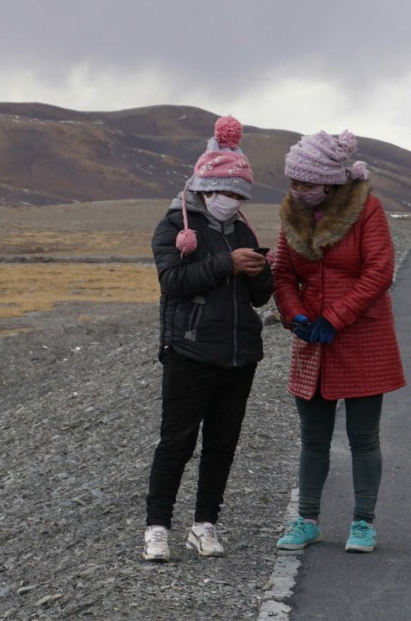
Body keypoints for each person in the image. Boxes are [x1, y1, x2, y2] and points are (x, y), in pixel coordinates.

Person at [143, 116, 274, 562]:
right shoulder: (173, 226)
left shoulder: (244, 230)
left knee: (222, 443)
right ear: (204, 187)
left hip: (239, 357)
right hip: (189, 352)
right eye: (225, 192)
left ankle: (204, 525)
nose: (231, 201)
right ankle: (157, 528)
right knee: (177, 442)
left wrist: (261, 269)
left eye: (240, 195)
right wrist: (228, 264)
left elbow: (258, 299)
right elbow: (173, 282)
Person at [271, 130, 405, 554]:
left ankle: (363, 523)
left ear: (329, 181)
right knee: (313, 438)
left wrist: (335, 317)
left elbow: (378, 273)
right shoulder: (292, 214)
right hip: (311, 340)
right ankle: (307, 520)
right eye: (293, 183)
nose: (297, 191)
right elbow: (282, 274)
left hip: (363, 338)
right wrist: (295, 315)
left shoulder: (368, 210)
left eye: (305, 184)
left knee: (363, 437)